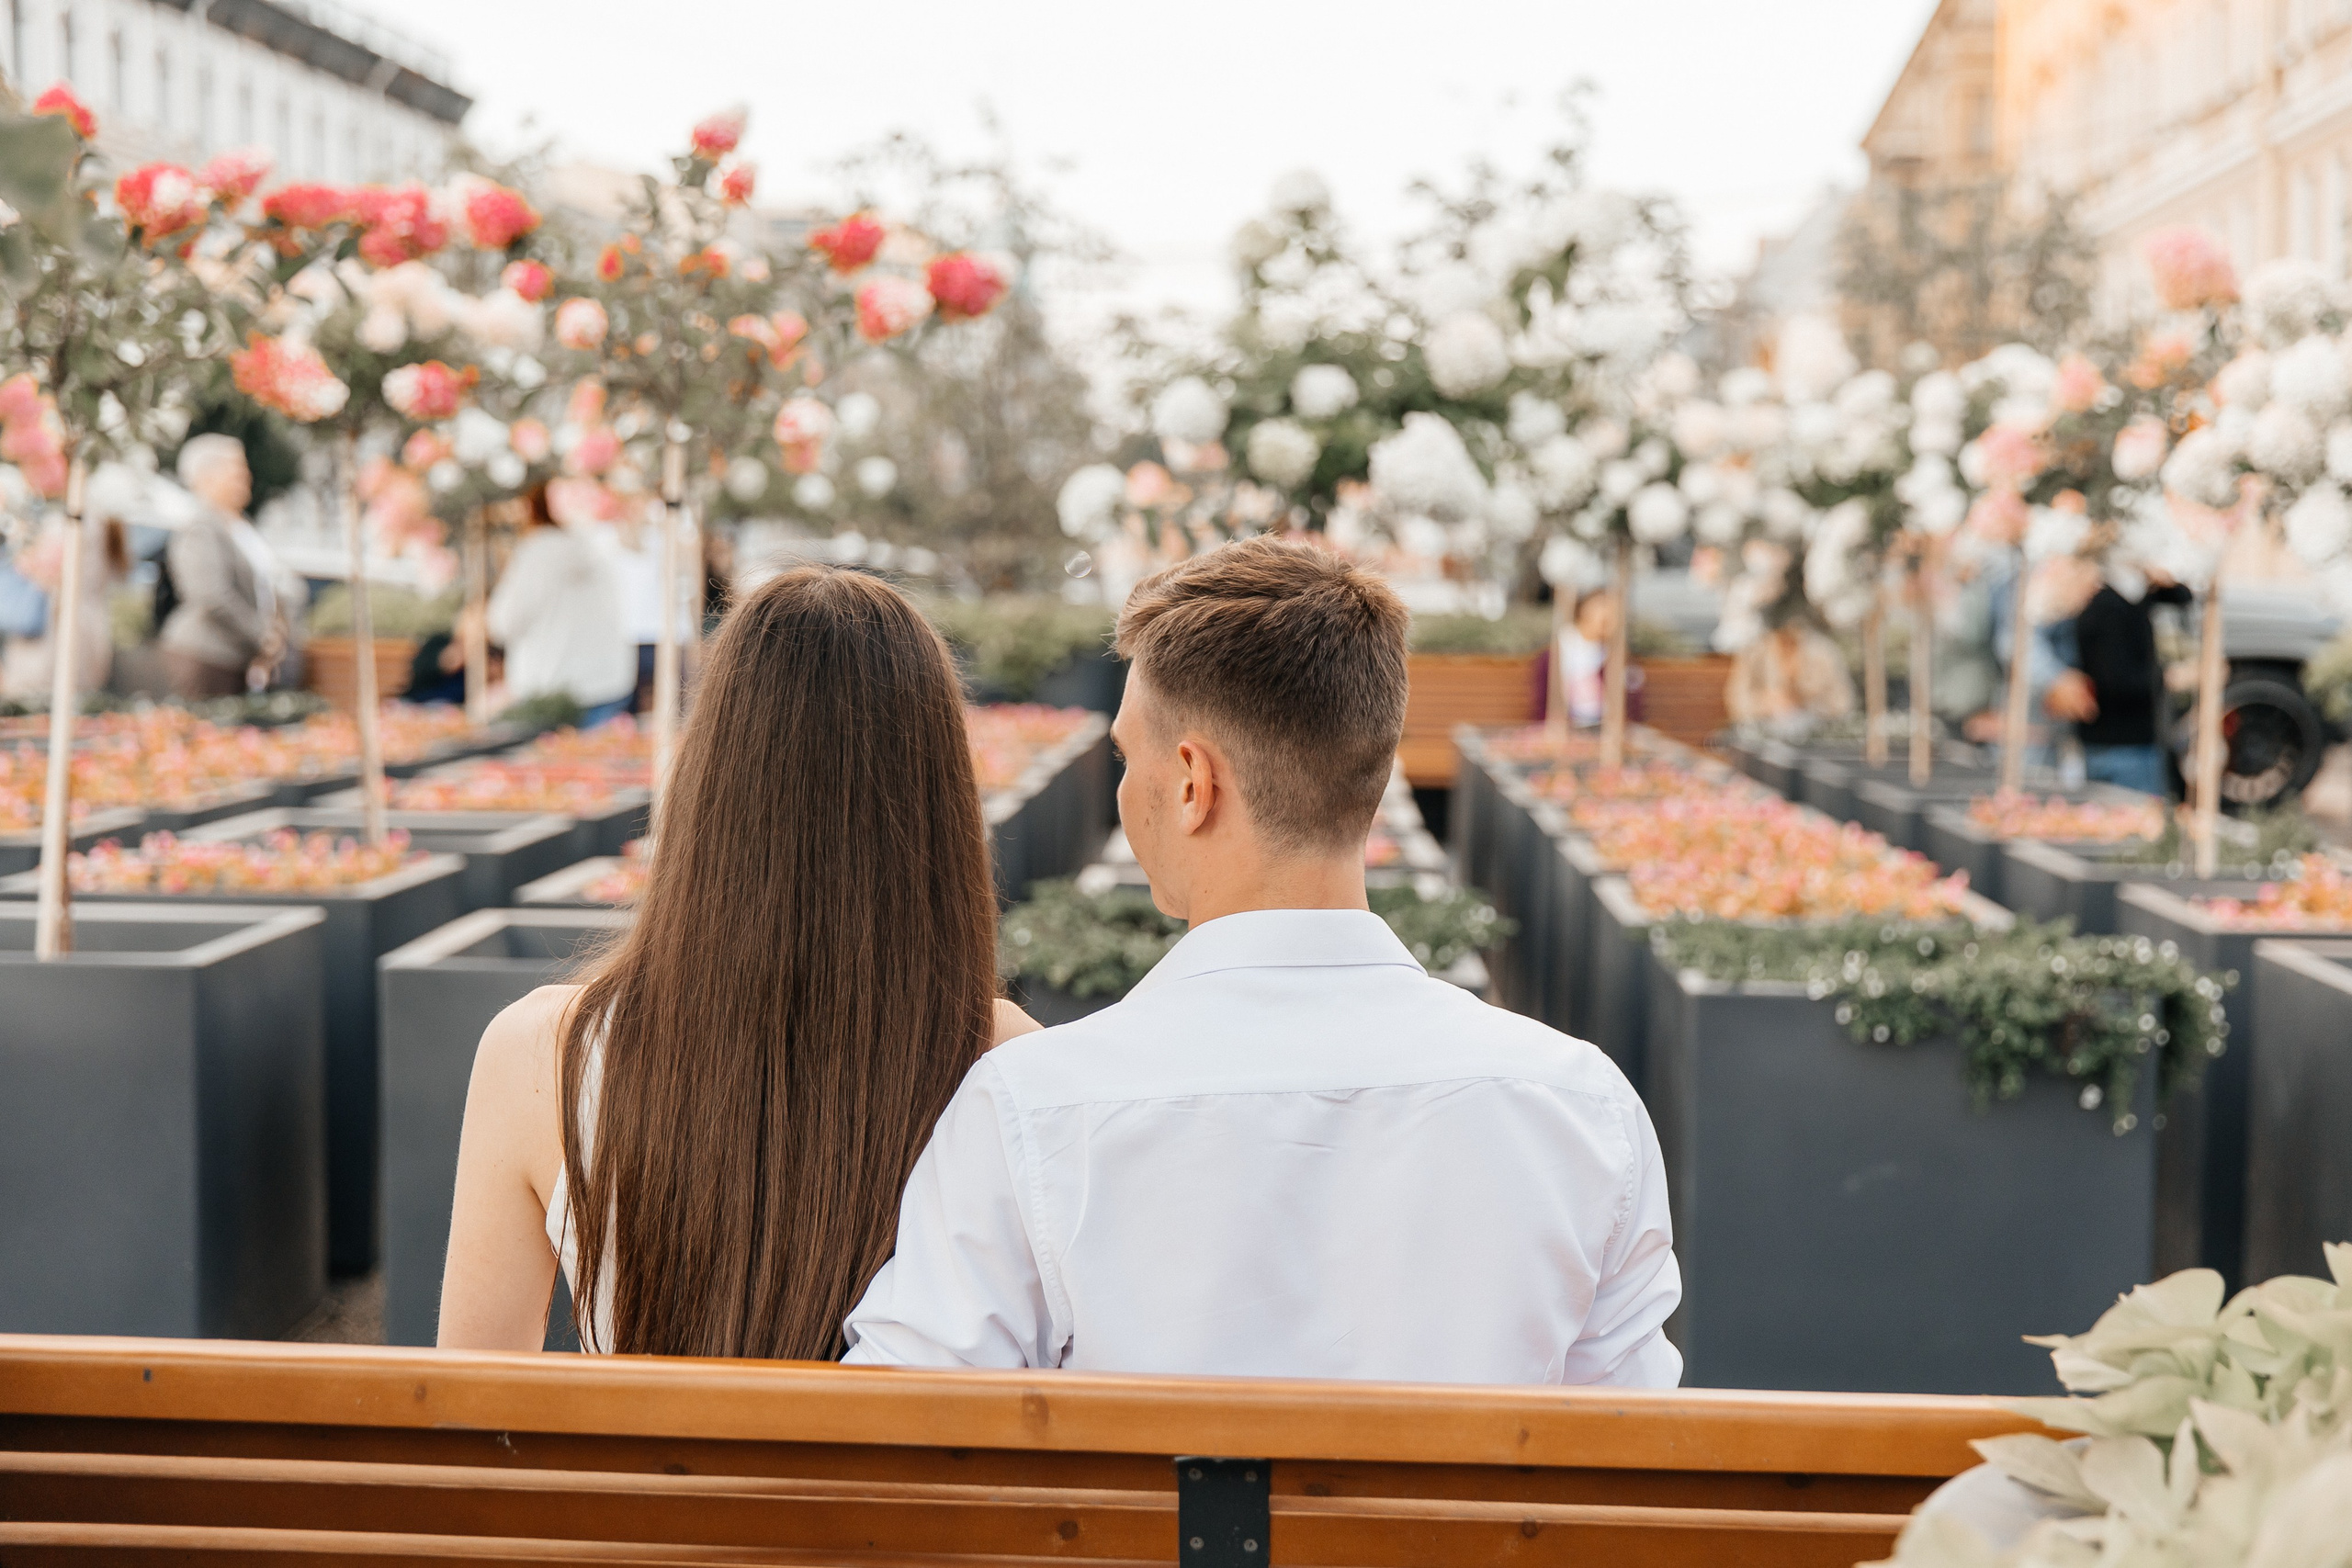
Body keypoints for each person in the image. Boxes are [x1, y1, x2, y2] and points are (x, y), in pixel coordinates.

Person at [844, 536, 1682, 1386]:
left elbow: (900, 1443)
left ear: (1191, 784)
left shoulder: (1031, 1110)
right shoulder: (1584, 1109)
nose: (1126, 786)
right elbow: (1627, 1471)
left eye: (1128, 756)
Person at [438, 566, 1040, 1355]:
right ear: (940, 805)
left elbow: (475, 1413)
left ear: (706, 779)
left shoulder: (538, 1054)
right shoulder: (1016, 1067)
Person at [485, 484, 636, 726]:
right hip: (608, 684)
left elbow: (503, 623)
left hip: (550, 688)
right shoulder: (600, 544)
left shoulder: (536, 552)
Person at [2044, 569, 2193, 795]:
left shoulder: (2131, 601)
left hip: (2121, 744)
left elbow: (2182, 596)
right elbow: (2118, 682)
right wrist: (2173, 678)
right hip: (2123, 747)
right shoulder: (2109, 609)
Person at [160, 435, 280, 698]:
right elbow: (211, 595)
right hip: (206, 655)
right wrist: (262, 636)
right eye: (236, 468)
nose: (245, 476)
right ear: (206, 476)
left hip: (235, 657)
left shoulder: (240, 525)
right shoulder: (200, 528)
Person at [0, 514, 129, 702]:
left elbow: (47, 565)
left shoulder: (70, 522)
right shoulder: (102, 527)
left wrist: (23, 556)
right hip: (87, 634)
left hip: (53, 638)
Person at [1724, 612, 1856, 728]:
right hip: (1762, 740)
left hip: (1814, 738)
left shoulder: (1823, 653)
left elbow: (1843, 703)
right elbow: (1737, 702)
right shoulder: (1754, 652)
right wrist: (1766, 702)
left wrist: (1806, 703)